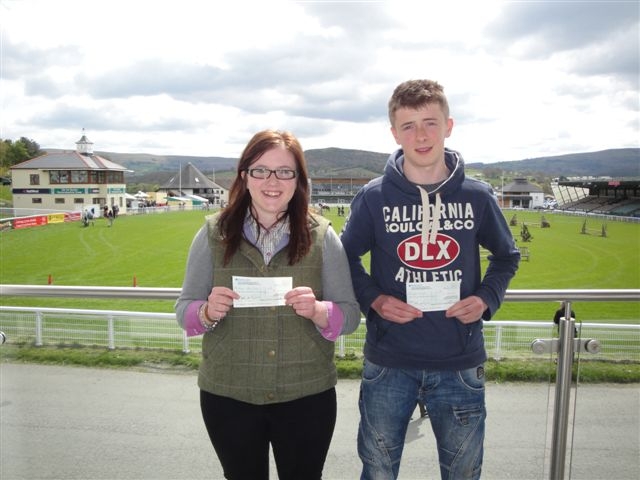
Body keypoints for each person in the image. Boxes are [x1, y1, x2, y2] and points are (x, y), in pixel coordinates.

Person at [340, 79, 520, 480]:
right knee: (378, 472)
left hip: (459, 362)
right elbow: (344, 257)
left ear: (448, 126)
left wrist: (487, 297)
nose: (420, 135)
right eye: (408, 126)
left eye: (430, 123)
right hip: (389, 363)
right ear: (393, 133)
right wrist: (375, 299)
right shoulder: (373, 196)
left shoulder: (477, 196)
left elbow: (507, 256)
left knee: (463, 474)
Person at [175, 129, 360, 480]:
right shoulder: (212, 234)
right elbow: (184, 312)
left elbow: (350, 315)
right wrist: (206, 312)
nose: (272, 181)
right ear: (245, 176)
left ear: (298, 180)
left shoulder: (323, 236)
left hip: (306, 395)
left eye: (284, 171)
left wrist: (321, 312)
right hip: (228, 396)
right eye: (261, 170)